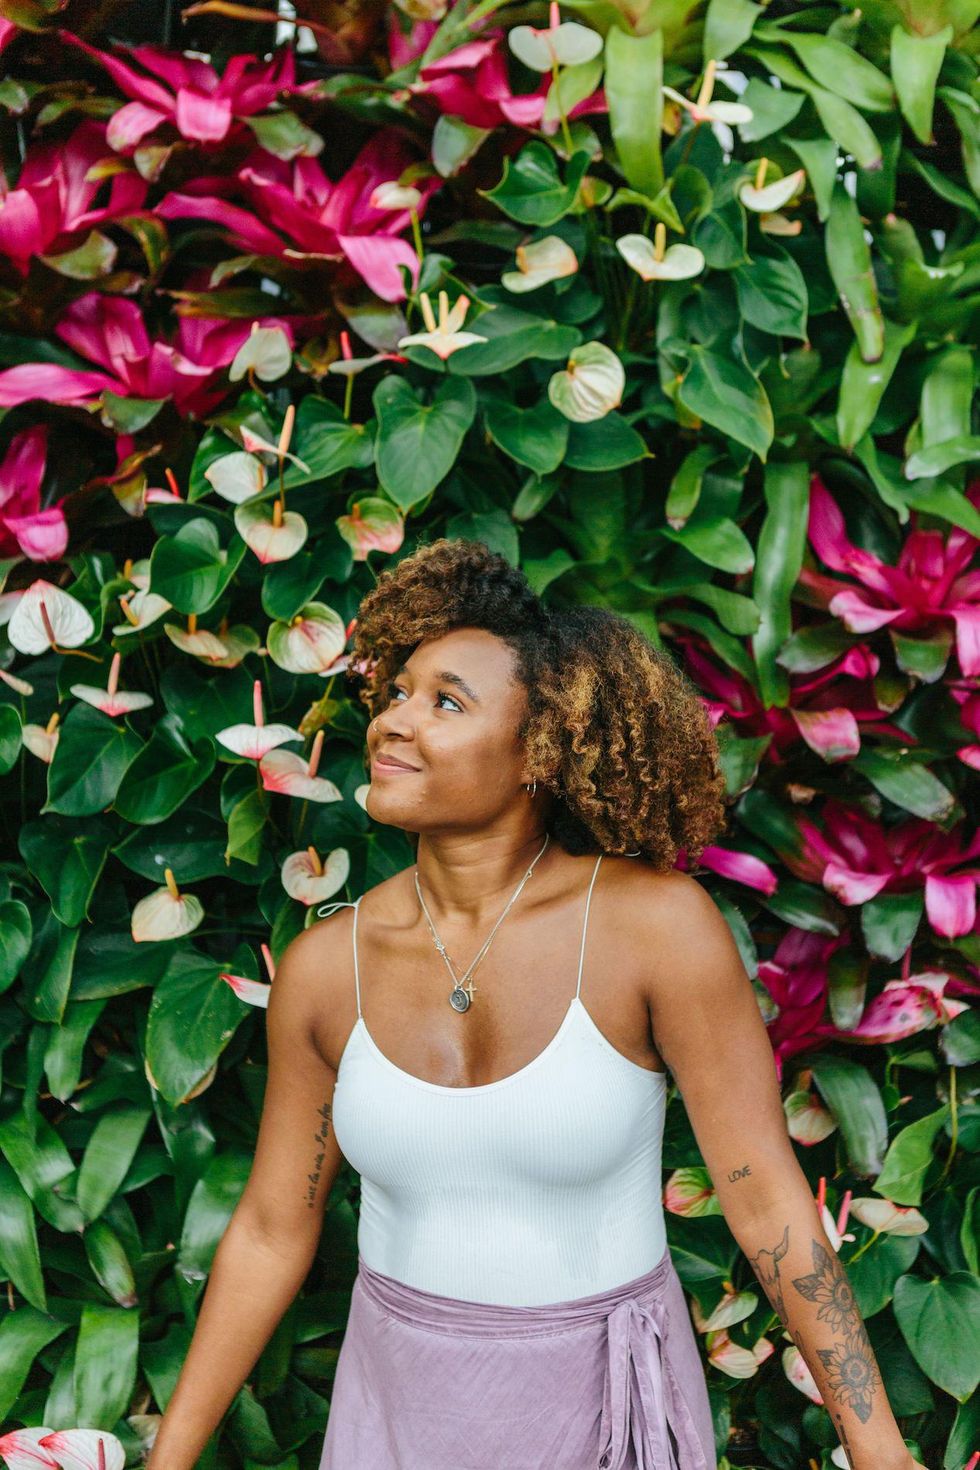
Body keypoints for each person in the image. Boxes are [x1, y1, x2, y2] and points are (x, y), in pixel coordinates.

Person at [146, 539, 924, 1470]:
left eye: (446, 702)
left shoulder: (653, 930)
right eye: (397, 692)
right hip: (396, 1408)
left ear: (538, 752)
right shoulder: (324, 969)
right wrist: (169, 1459)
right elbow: (274, 1230)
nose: (395, 721)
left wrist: (880, 1453)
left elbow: (769, 1208)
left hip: (601, 1409)